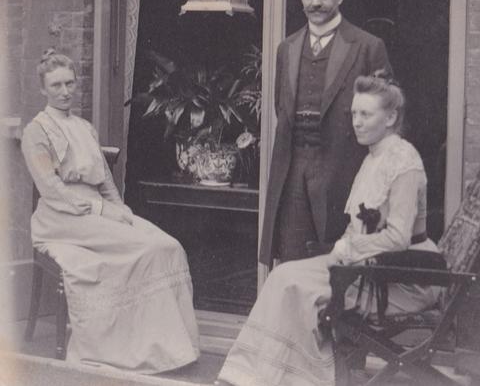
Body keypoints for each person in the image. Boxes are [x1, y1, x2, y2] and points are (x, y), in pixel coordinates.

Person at [215, 71, 442, 386]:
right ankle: (254, 374)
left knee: (296, 288)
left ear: (390, 117)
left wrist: (347, 250)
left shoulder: (405, 162)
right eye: (354, 114)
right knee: (282, 276)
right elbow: (360, 226)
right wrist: (347, 251)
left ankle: (295, 379)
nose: (357, 122)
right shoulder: (374, 157)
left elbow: (399, 237)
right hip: (366, 264)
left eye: (366, 114)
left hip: (402, 275)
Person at [21, 49, 199, 373]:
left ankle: (168, 349)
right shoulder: (37, 131)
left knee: (168, 245)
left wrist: (122, 211)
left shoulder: (85, 128)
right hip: (62, 217)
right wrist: (102, 210)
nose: (65, 92)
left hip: (96, 210)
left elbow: (105, 181)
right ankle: (132, 350)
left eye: (70, 84)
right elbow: (52, 190)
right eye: (57, 85)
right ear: (42, 89)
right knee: (148, 248)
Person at [260, 0, 392, 266]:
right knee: (292, 259)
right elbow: (282, 109)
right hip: (293, 169)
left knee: (337, 264)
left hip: (342, 168)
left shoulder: (368, 47)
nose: (315, 3)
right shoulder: (287, 48)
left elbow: (387, 119)